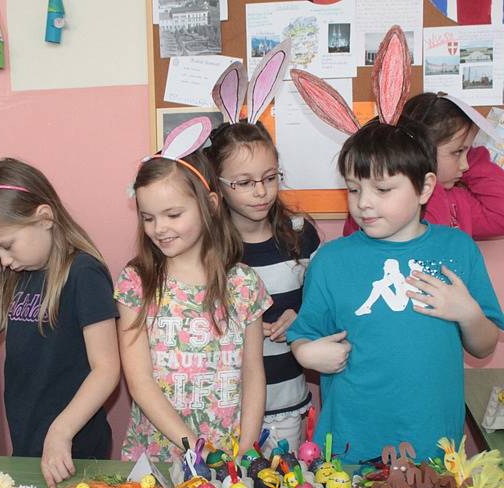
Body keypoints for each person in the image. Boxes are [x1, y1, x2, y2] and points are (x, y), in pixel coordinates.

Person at [288, 117, 504, 462]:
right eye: (354, 189)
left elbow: (484, 346)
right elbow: (304, 335)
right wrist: (305, 353)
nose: (364, 203)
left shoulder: (457, 249)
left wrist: (468, 313)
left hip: (433, 443)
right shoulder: (331, 261)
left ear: (424, 188)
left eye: (382, 189)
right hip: (351, 444)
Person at [0, 158, 120, 488]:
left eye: (7, 245)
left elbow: (107, 369)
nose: (5, 258)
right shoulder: (18, 270)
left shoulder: (84, 274)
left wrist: (62, 430)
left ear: (44, 218)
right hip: (28, 438)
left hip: (74, 446)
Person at [116, 144, 269, 463]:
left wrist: (248, 447)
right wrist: (197, 450)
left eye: (173, 215)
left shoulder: (243, 284)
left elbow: (253, 372)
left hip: (231, 457)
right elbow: (139, 381)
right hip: (161, 457)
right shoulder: (137, 282)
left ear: (210, 205)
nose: (159, 229)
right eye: (148, 218)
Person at [206, 122, 320, 452]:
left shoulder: (301, 235)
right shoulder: (208, 247)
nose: (261, 191)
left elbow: (323, 307)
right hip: (226, 406)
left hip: (285, 400)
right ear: (218, 185)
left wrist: (302, 318)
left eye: (270, 178)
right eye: (244, 182)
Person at [342, 92, 504, 239]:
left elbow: (500, 217)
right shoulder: (379, 205)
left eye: (466, 153)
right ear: (424, 147)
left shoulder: (456, 199)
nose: (465, 165)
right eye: (457, 152)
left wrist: (473, 157)